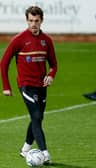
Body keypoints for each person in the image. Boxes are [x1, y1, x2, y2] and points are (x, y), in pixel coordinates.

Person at [0, 6, 57, 164]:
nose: (33, 24)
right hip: (26, 85)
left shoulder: (47, 41)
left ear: (41, 21)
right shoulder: (19, 39)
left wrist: (51, 75)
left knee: (38, 118)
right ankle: (45, 153)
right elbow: (3, 63)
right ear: (27, 20)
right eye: (30, 21)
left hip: (41, 86)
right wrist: (6, 86)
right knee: (37, 117)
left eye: (36, 21)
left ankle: (25, 149)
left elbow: (54, 64)